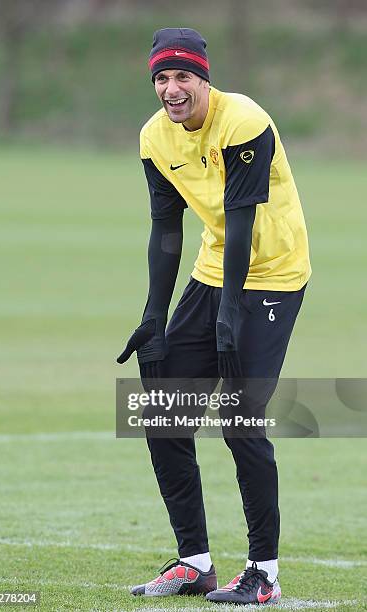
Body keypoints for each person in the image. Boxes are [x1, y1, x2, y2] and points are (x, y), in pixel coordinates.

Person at [117, 27, 311, 605]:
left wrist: (229, 316)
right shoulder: (155, 136)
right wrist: (154, 314)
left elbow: (244, 220)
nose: (171, 90)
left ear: (205, 79)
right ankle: (194, 562)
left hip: (273, 274)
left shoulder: (243, 120)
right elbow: (166, 228)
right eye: (161, 78)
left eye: (183, 77)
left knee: (239, 418)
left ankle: (263, 573)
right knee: (164, 409)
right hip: (214, 271)